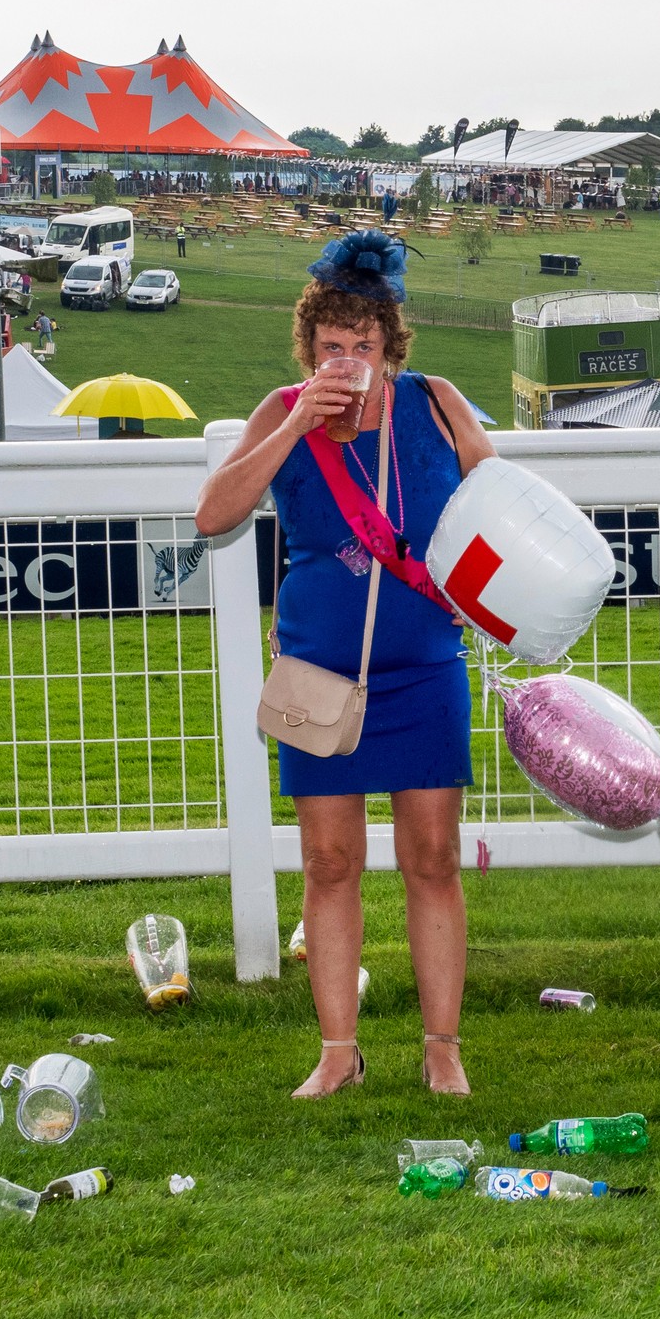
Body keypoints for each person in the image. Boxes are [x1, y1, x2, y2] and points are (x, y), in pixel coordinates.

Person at [196, 230, 496, 1100]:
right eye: (333, 344)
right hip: (319, 677)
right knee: (329, 864)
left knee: (432, 858)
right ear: (310, 346)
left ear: (390, 344)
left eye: (364, 344)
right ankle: (338, 1051)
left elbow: (499, 505)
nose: (348, 359)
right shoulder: (281, 412)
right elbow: (213, 514)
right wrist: (298, 419)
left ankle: (442, 1046)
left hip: (426, 666)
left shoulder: (436, 404)